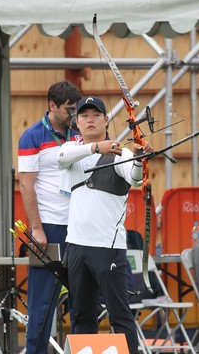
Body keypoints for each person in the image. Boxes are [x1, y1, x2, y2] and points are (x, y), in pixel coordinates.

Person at [57, 95, 151, 352]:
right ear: (77, 122)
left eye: (96, 115)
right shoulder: (73, 150)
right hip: (76, 247)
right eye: (84, 116)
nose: (90, 120)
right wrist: (98, 148)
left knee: (120, 315)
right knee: (81, 315)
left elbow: (133, 179)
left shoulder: (123, 152)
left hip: (107, 247)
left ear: (106, 119)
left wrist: (139, 159)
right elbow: (61, 157)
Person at [17, 80, 80, 353]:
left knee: (82, 299)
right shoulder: (32, 136)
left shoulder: (79, 133)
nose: (74, 115)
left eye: (77, 109)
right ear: (52, 106)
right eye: (69, 110)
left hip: (80, 227)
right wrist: (36, 229)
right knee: (42, 302)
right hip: (50, 228)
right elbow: (26, 185)